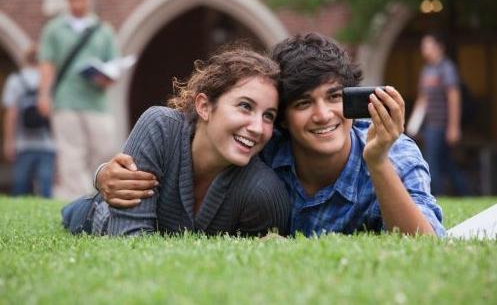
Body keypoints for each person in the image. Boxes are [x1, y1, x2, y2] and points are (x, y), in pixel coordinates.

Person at [93, 33, 445, 237]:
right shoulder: (263, 144)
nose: (324, 115)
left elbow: (427, 245)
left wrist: (378, 162)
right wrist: (103, 175)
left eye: (335, 97)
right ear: (285, 121)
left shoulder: (394, 151)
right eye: (304, 102)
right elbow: (190, 140)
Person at [61, 48, 291, 236]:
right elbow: (128, 240)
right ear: (204, 106)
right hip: (94, 215)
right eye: (245, 106)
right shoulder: (160, 127)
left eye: (268, 115)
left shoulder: (263, 191)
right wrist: (99, 175)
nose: (258, 128)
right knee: (78, 211)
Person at [37, 0, 119, 200]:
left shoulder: (104, 30)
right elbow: (47, 64)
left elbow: (114, 66)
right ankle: (78, 200)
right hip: (65, 100)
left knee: (103, 149)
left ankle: (97, 195)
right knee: (71, 152)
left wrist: (105, 78)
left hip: (97, 102)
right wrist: (44, 94)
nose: (78, 3)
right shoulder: (54, 29)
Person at [410, 32, 469, 196]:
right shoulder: (426, 70)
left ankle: (437, 197)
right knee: (447, 163)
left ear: (439, 47)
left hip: (442, 125)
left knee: (433, 164)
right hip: (431, 125)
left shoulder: (447, 68)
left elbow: (454, 98)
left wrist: (454, 127)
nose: (424, 50)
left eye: (427, 46)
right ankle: (465, 193)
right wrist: (413, 124)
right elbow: (422, 99)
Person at [2, 45, 56, 197]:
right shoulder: (49, 80)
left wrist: (8, 142)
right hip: (48, 144)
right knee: (46, 187)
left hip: (22, 144)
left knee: (20, 185)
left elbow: (11, 114)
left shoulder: (16, 80)